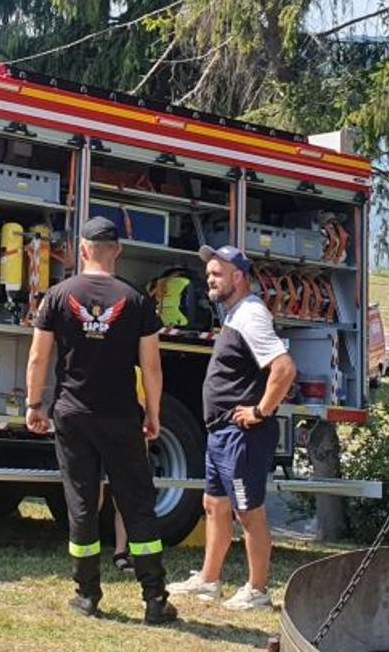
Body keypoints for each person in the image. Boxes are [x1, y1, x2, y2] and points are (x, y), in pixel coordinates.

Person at [24, 217, 177, 624]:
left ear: (83, 249)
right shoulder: (137, 300)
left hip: (72, 414)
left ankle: (87, 594)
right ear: (118, 251)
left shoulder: (58, 296)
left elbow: (38, 357)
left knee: (81, 502)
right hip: (121, 416)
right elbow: (152, 366)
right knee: (137, 503)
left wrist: (34, 404)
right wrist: (153, 413)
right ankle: (154, 599)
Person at [167, 244, 297, 609]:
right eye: (208, 273)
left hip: (242, 435)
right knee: (214, 504)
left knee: (248, 511)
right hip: (221, 432)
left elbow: (284, 368)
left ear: (238, 276)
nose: (209, 279)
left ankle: (257, 591)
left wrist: (260, 411)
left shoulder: (251, 315)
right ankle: (208, 581)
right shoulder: (236, 314)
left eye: (217, 273)